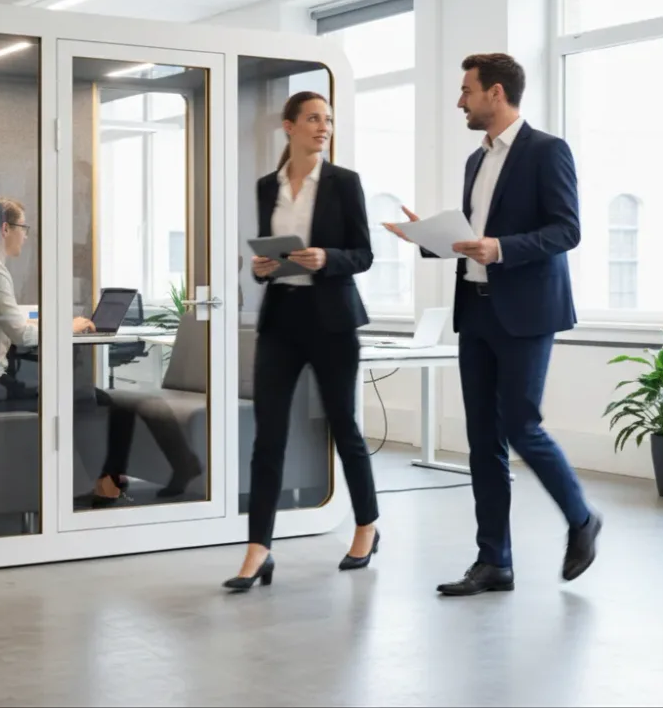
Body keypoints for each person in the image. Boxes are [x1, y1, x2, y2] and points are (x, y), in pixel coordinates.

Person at [383, 53, 602, 596]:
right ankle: (494, 561)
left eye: (467, 91)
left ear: (496, 93)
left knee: (520, 425)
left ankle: (581, 518)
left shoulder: (548, 151)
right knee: (482, 436)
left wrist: (502, 248)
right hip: (476, 308)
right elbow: (472, 239)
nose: (460, 100)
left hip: (527, 311)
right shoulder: (474, 162)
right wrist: (431, 238)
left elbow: (566, 230)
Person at [223, 90, 380, 592]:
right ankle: (258, 548)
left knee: (343, 427)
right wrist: (263, 267)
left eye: (328, 119)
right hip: (282, 320)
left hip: (332, 321)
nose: (323, 127)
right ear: (288, 127)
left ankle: (366, 526)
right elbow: (268, 259)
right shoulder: (267, 186)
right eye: (313, 118)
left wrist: (327, 259)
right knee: (268, 435)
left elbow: (363, 254)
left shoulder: (344, 183)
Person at [0, 196, 94, 411]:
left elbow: (1, 323)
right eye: (23, 228)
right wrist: (68, 328)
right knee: (83, 399)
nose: (25, 236)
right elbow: (22, 336)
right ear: (5, 229)